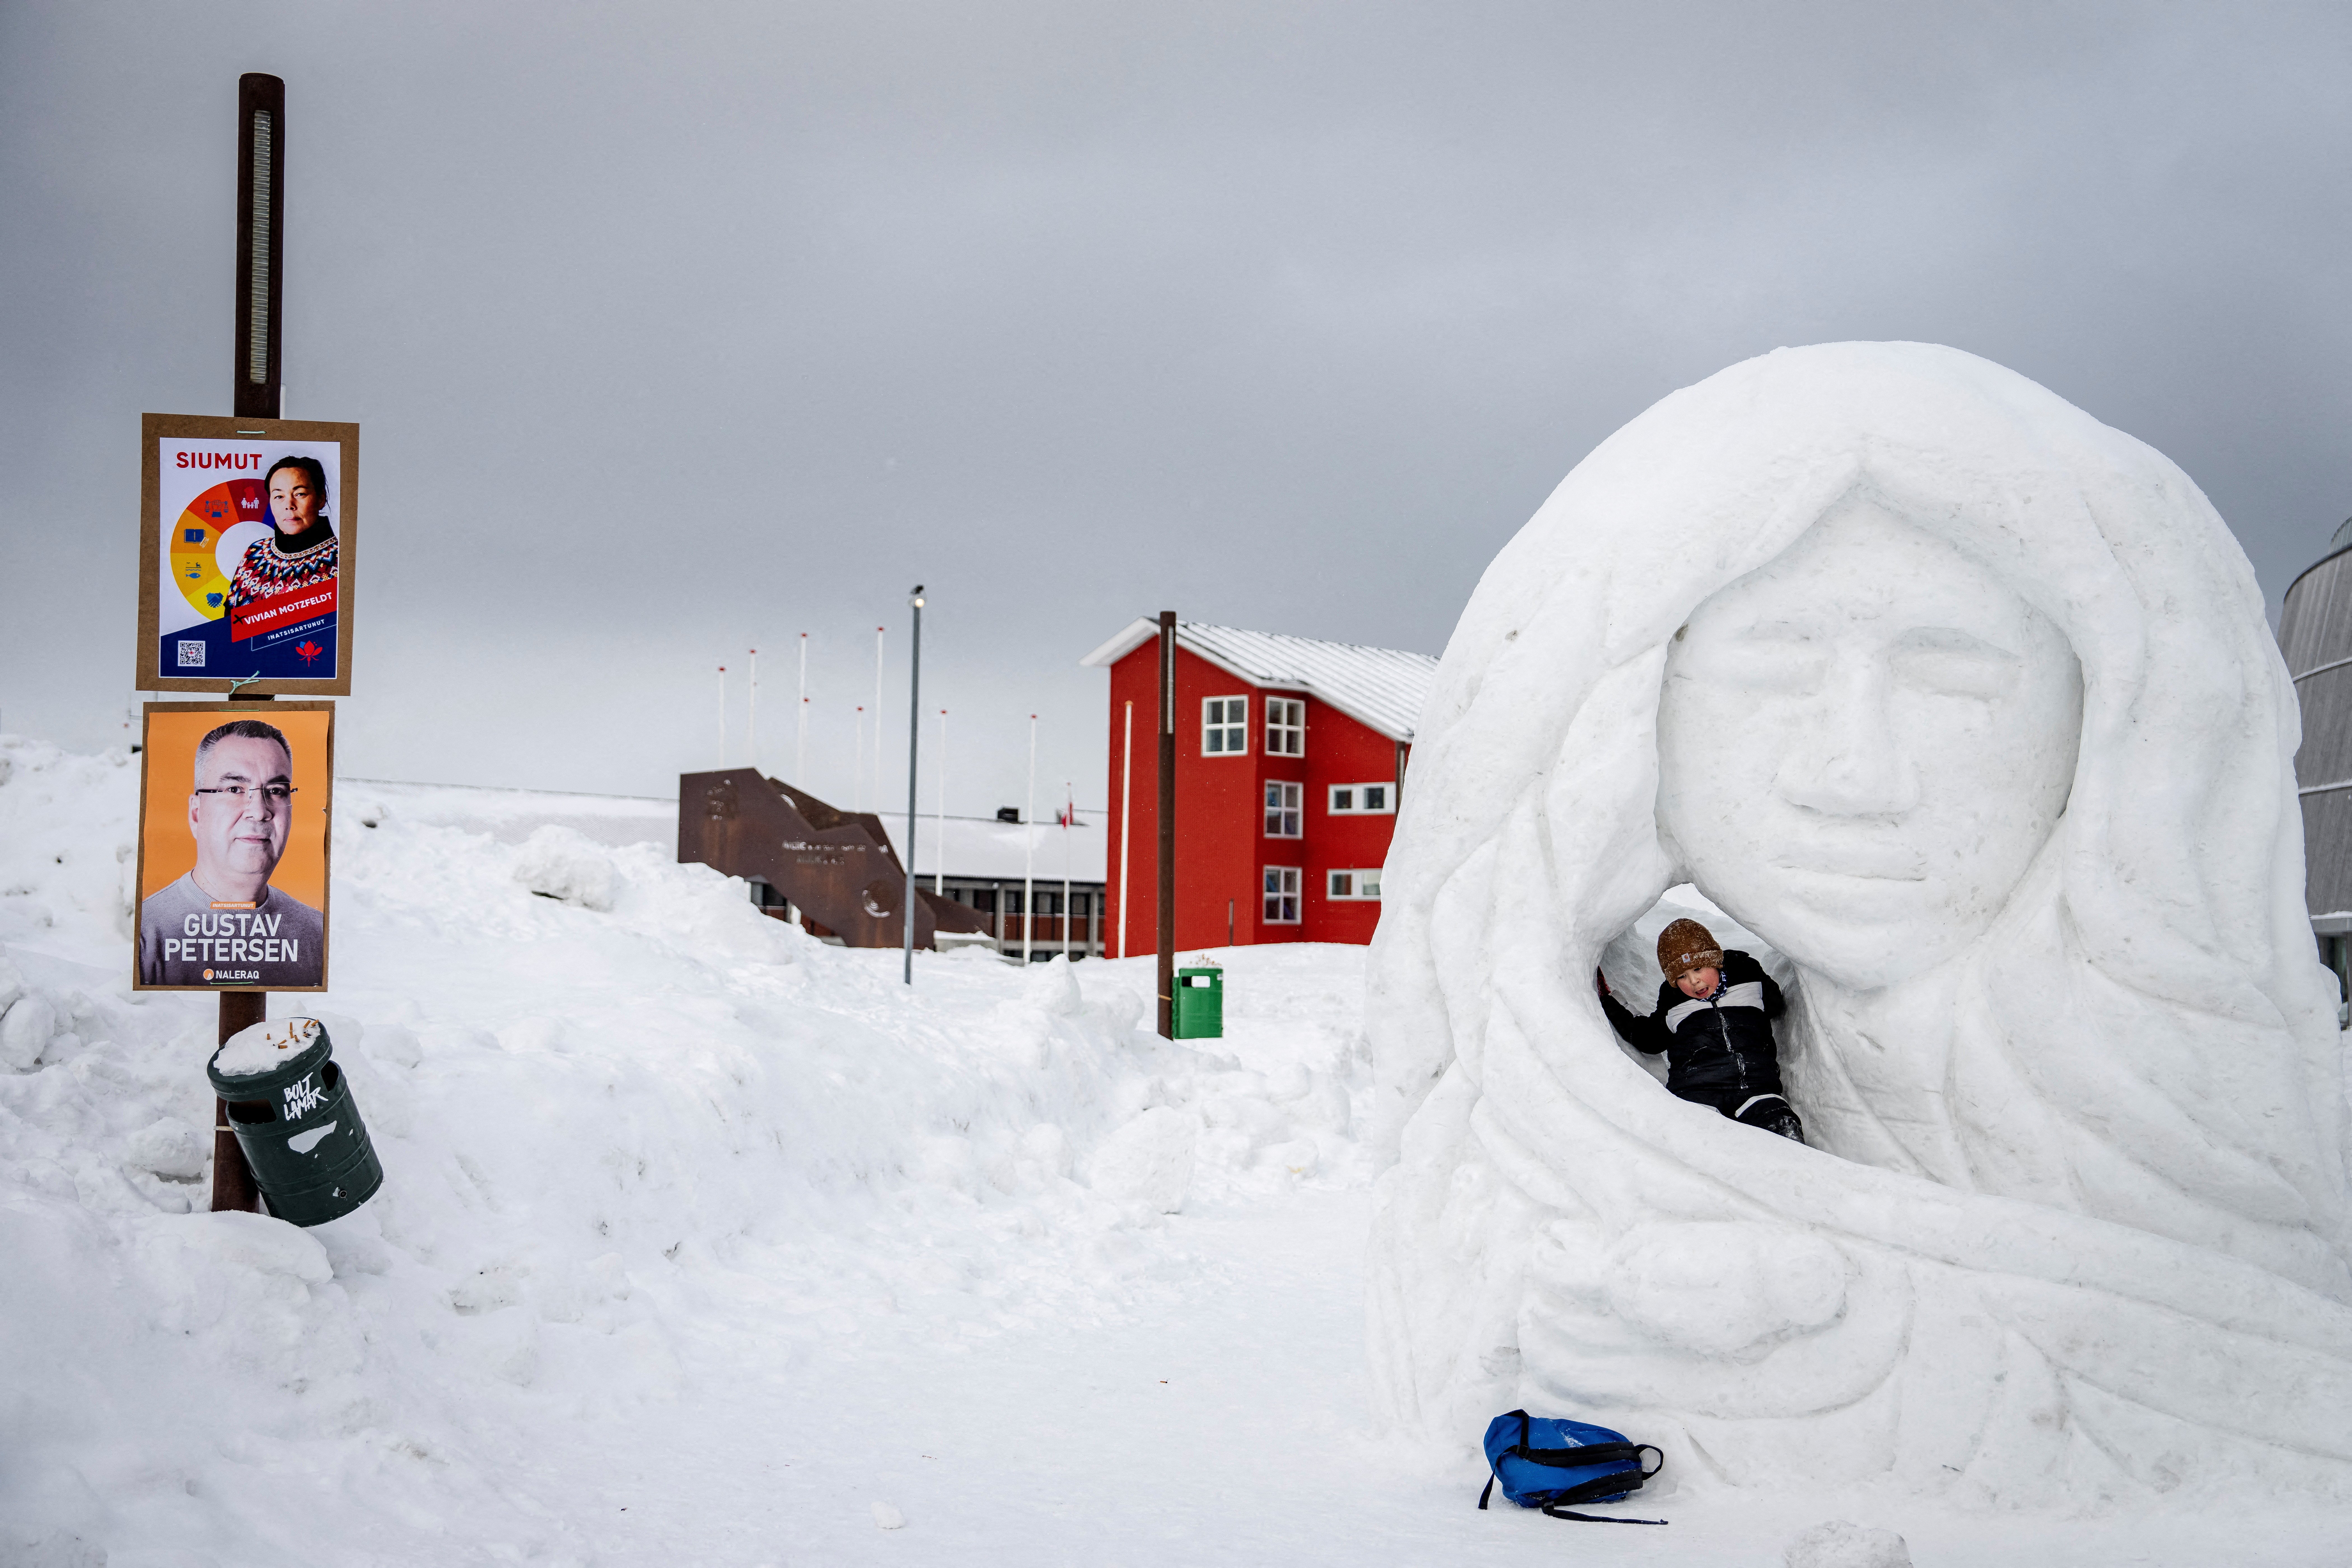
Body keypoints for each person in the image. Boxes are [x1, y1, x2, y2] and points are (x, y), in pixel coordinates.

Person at [1362, 342, 2352, 1497]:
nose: (1855, 773)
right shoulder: (1525, 1147)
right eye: (1774, 671)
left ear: (2126, 708)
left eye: (1954, 678)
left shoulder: (2206, 1114)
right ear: (1620, 713)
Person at [137, 718, 325, 988]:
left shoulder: (317, 934)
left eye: (276, 791)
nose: (260, 811)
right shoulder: (145, 937)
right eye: (235, 789)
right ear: (196, 813)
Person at [1596, 918, 1804, 1143]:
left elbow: (1775, 1002)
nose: (1694, 981)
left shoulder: (1749, 979)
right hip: (1696, 1093)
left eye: (1698, 968)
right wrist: (1610, 1001)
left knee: (1784, 1130)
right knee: (1694, 1146)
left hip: (1756, 1089)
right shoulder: (1674, 1004)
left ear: (1715, 961)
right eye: (1681, 976)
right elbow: (1648, 1038)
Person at [224, 455, 337, 617]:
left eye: (300, 494)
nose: (289, 506)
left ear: (321, 499)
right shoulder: (255, 554)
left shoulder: (341, 558)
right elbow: (230, 626)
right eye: (279, 497)